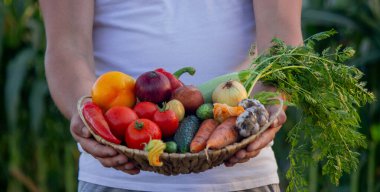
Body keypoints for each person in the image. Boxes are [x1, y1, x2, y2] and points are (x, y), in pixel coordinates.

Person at [40, 0, 302, 191]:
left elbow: (282, 41)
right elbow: (67, 47)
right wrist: (86, 112)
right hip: (114, 175)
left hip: (241, 177)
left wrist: (267, 106)